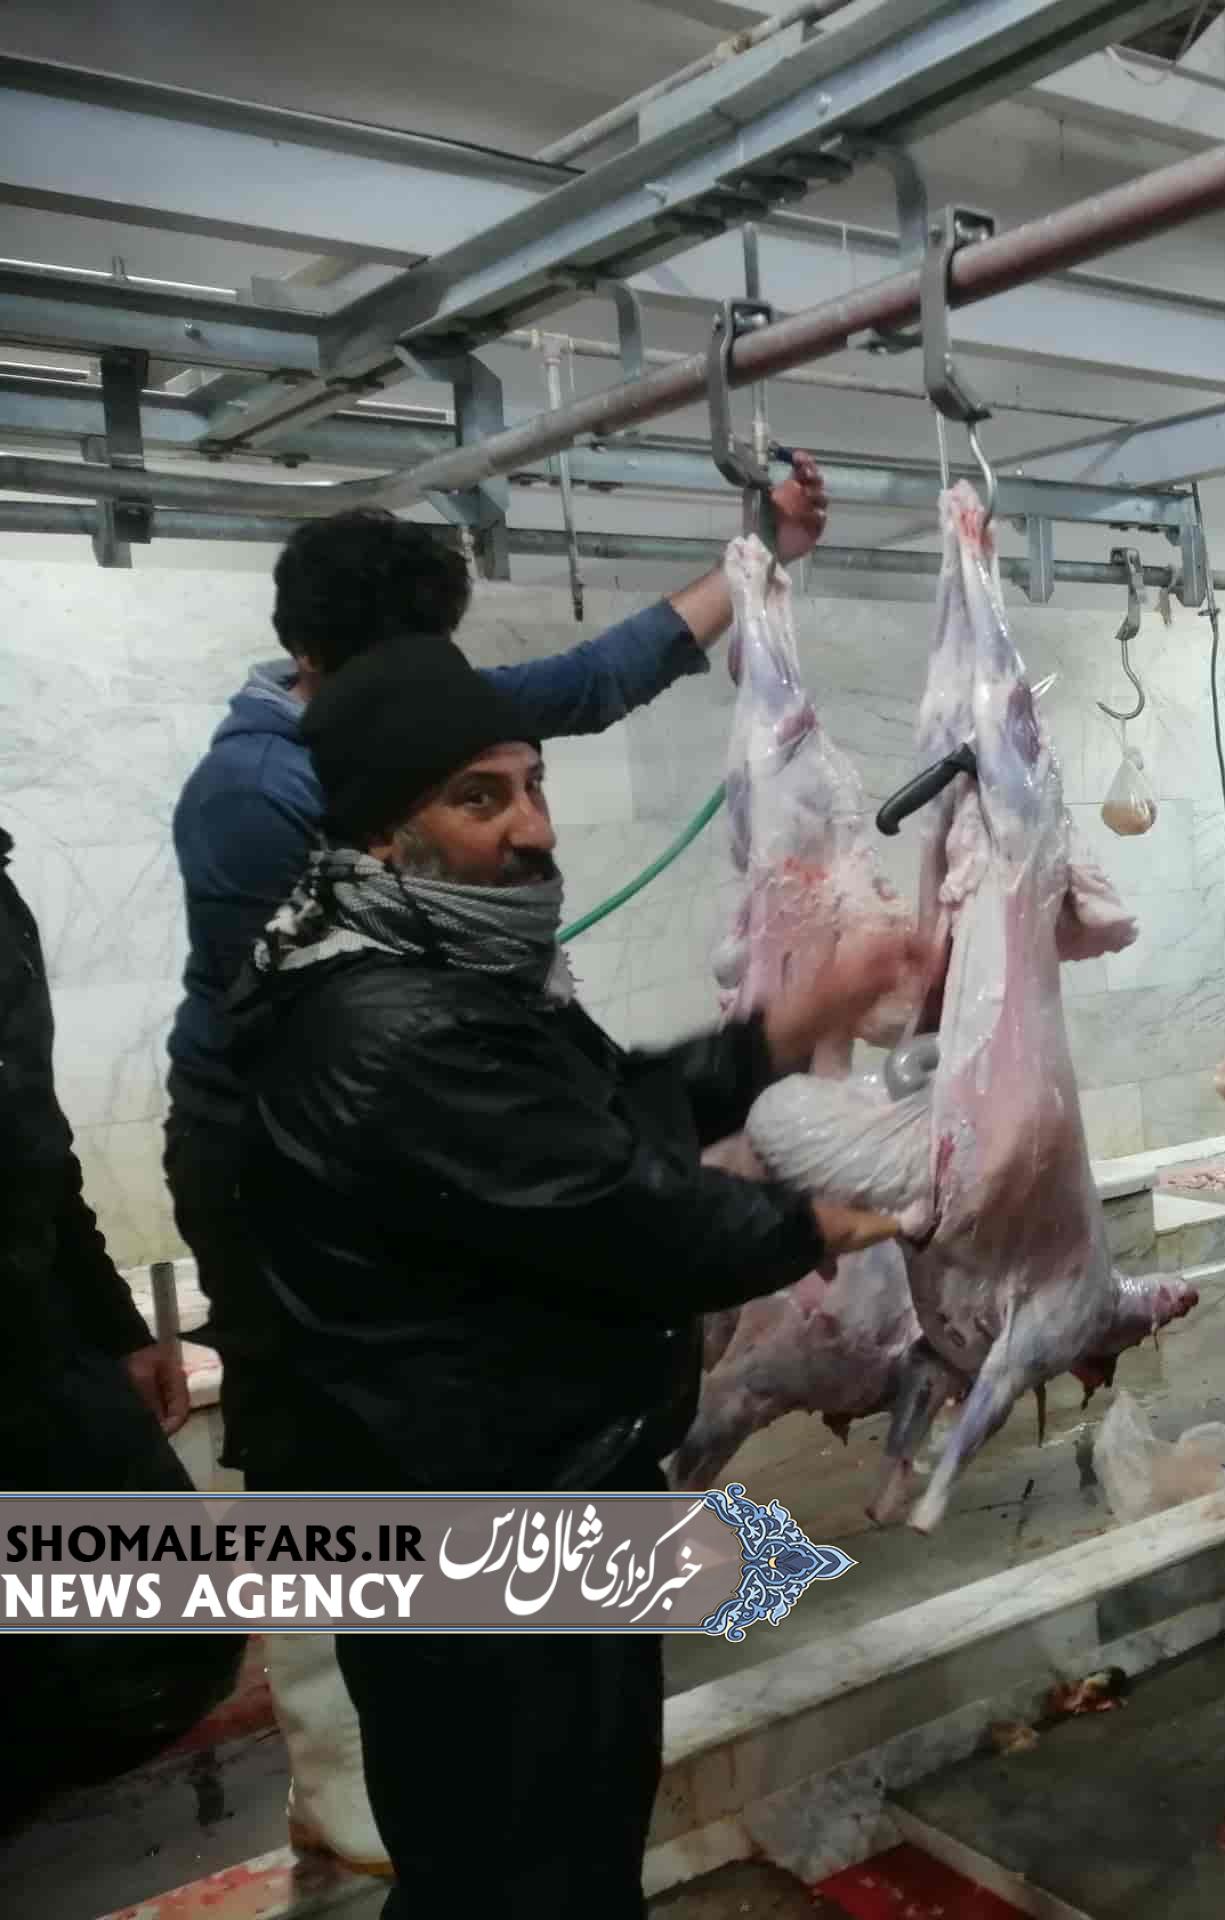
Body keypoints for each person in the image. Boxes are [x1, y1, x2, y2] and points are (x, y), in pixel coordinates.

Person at [225, 632, 905, 1919]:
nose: (533, 828)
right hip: (476, 1525)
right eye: (478, 797)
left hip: (527, 1487)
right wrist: (816, 1223)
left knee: (550, 1850)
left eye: (533, 785)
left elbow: (610, 1115)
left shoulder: (452, 974)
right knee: (527, 1869)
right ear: (381, 835)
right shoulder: (392, 1025)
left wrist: (788, 1030)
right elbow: (609, 1205)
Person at [164, 455, 828, 1482]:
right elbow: (332, 1035)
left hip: (421, 1085)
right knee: (354, 1401)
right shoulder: (253, 794)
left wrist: (758, 557)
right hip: (269, 1142)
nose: (530, 825)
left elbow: (593, 680)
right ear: (311, 658)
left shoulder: (418, 703)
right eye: (481, 798)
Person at [1, 822, 245, 1824]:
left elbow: (34, 1142)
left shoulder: (0, 901)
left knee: (170, 1637)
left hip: (37, 1329)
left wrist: (119, 1330)